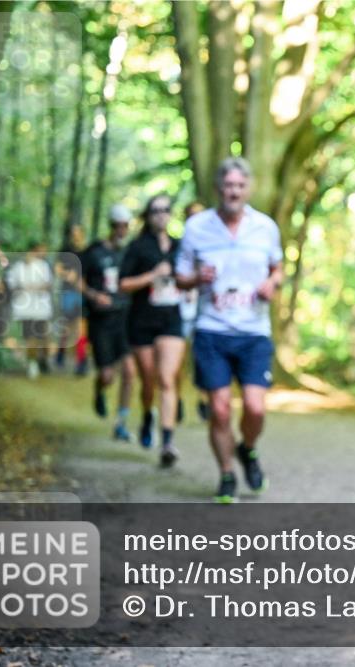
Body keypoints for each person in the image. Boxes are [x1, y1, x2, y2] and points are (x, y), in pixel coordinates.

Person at [175, 157, 283, 503]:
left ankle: (247, 449)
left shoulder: (265, 227)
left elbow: (278, 267)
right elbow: (179, 277)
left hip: (254, 331)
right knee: (220, 409)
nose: (233, 191)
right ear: (218, 189)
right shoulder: (197, 227)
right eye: (228, 186)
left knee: (255, 408)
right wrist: (196, 278)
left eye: (239, 185)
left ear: (247, 188)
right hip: (212, 329)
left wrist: (271, 283)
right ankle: (225, 474)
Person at [119, 194, 186, 467]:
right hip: (141, 320)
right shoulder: (137, 247)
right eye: (155, 210)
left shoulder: (181, 246)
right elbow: (123, 284)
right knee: (148, 380)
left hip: (171, 319)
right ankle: (148, 414)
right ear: (148, 215)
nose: (161, 215)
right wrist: (151, 275)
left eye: (166, 210)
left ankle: (167, 442)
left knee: (167, 378)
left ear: (171, 214)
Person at [80, 204, 136, 442]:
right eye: (118, 226)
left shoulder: (130, 253)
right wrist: (94, 296)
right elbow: (76, 279)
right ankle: (99, 389)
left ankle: (121, 423)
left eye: (125, 226)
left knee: (130, 372)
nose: (121, 230)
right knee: (107, 375)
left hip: (125, 319)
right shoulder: (93, 252)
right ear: (111, 226)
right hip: (101, 321)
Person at [6, 239, 54, 378]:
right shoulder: (18, 267)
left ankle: (43, 359)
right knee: (30, 336)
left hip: (41, 308)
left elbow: (48, 284)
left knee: (43, 336)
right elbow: (12, 285)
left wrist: (37, 287)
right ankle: (32, 363)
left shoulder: (43, 266)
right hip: (24, 308)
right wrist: (22, 288)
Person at [181, 201, 211, 422]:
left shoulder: (214, 246)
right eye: (191, 215)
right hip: (180, 312)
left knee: (204, 360)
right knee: (178, 359)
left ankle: (205, 399)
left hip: (203, 313)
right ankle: (177, 398)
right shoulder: (178, 248)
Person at [55, 223, 88, 375]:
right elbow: (58, 268)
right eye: (73, 232)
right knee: (67, 326)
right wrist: (68, 276)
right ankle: (60, 353)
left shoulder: (87, 252)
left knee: (81, 327)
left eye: (78, 232)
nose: (75, 235)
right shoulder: (65, 250)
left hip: (82, 294)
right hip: (68, 293)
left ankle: (81, 361)